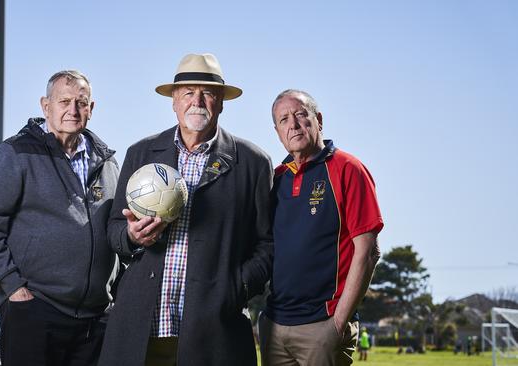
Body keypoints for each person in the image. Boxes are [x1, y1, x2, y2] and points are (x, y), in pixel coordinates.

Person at [99, 53, 273, 366]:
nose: (198, 101)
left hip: (214, 327)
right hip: (142, 325)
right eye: (188, 93)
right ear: (174, 101)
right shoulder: (141, 153)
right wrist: (131, 235)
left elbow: (268, 244)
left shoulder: (253, 163)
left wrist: (235, 288)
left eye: (208, 93)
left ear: (221, 102)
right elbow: (114, 228)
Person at [0, 69, 120, 365]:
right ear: (45, 105)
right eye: (64, 101)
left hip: (95, 316)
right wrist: (12, 285)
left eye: (81, 102)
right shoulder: (16, 153)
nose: (72, 110)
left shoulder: (108, 162)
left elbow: (115, 228)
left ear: (92, 108)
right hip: (36, 309)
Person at [259, 89, 384, 366]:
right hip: (275, 326)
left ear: (319, 120)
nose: (292, 124)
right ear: (277, 131)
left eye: (301, 115)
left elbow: (368, 252)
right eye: (283, 120)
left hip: (323, 326)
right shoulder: (276, 179)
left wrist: (338, 323)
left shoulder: (348, 168)